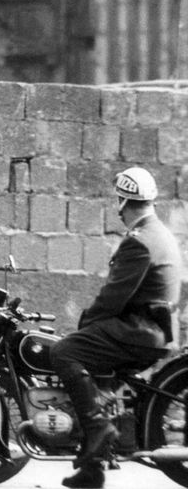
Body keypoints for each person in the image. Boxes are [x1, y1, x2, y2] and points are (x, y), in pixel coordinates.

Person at [50, 166, 181, 489]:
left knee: (64, 351)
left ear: (123, 202)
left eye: (118, 202)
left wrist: (84, 324)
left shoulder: (140, 241)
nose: (118, 209)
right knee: (88, 368)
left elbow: (113, 298)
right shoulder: (159, 233)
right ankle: (92, 468)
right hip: (151, 330)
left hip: (139, 331)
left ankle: (97, 428)